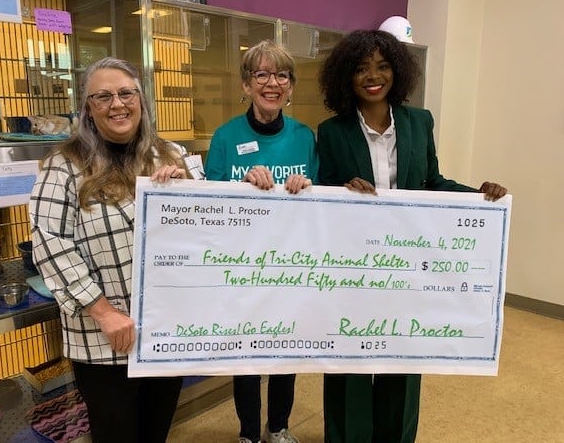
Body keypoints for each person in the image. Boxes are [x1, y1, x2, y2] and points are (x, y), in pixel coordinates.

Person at [317, 29, 507, 443]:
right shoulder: (332, 131)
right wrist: (342, 189)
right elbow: (322, 195)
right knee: (349, 366)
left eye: (383, 66)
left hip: (408, 270)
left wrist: (477, 194)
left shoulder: (419, 122)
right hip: (354, 270)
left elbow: (433, 182)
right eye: (362, 68)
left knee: (402, 363)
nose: (373, 76)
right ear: (346, 76)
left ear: (396, 73)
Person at [29, 57, 187, 442]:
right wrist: (103, 311)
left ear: (141, 101)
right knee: (115, 432)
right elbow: (49, 242)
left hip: (163, 332)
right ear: (88, 109)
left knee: (156, 430)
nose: (117, 104)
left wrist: (187, 194)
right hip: (102, 338)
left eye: (125, 93)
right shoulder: (63, 166)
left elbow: (206, 237)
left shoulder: (170, 155)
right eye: (103, 97)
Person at [204, 40, 318, 443]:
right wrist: (241, 183)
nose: (272, 83)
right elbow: (209, 199)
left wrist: (307, 184)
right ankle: (248, 434)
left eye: (281, 75)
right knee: (247, 356)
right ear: (247, 84)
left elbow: (320, 203)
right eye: (262, 75)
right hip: (241, 265)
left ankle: (279, 428)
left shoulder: (306, 137)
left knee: (286, 352)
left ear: (291, 85)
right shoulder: (225, 136)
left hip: (290, 263)